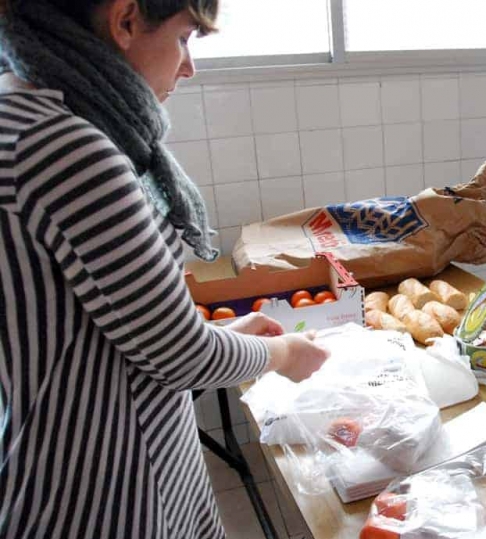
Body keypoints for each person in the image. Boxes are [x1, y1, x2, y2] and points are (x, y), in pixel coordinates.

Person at [0, 0, 330, 537]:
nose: (189, 66)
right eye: (184, 37)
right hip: (103, 490)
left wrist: (222, 333)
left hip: (81, 450)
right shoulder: (68, 148)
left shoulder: (19, 112)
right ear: (125, 19)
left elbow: (97, 326)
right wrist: (283, 353)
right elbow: (180, 356)